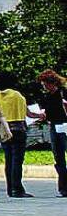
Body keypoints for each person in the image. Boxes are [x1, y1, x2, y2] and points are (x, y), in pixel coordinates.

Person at [0, 72, 32, 199]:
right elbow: (27, 112)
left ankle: (10, 188)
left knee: (8, 159)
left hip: (4, 130)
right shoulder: (17, 95)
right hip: (18, 130)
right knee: (17, 160)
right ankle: (17, 188)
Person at [33, 69, 67, 198]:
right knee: (58, 157)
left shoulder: (63, 93)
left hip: (64, 125)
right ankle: (63, 186)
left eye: (45, 84)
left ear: (51, 82)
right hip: (53, 125)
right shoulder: (48, 96)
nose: (44, 87)